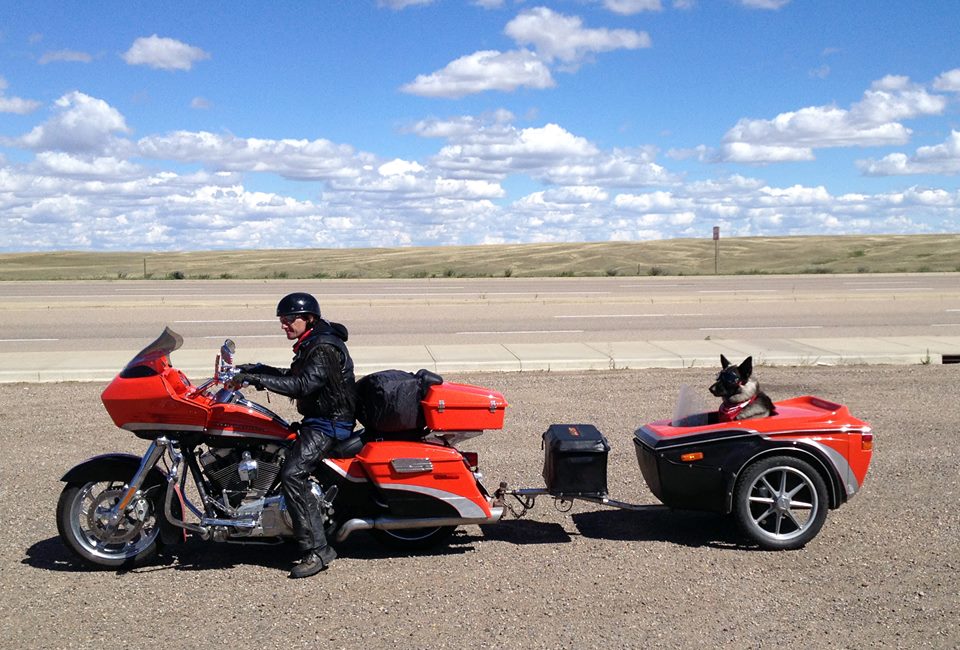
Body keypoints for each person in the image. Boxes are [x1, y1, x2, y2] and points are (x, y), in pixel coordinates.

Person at [232, 292, 357, 578]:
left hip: (330, 424)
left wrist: (256, 379)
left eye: (289, 319)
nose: (284, 324)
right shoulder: (312, 342)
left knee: (293, 473)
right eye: (281, 319)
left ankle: (318, 550)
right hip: (320, 418)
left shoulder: (323, 346)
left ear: (308, 318)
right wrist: (255, 369)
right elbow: (294, 375)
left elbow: (302, 384)